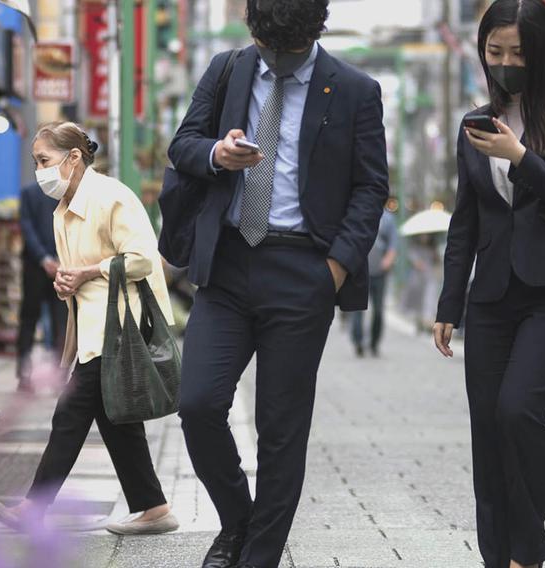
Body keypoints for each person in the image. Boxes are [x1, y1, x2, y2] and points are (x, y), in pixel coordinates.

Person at [168, 0, 388, 565]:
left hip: (303, 271)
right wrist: (217, 152)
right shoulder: (227, 68)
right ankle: (239, 521)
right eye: (268, 49)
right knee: (196, 403)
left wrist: (333, 269)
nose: (275, 61)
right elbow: (183, 144)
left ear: (315, 29)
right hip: (229, 263)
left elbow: (371, 189)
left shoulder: (357, 90)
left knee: (281, 429)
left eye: (286, 54)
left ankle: (258, 557)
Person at [432, 2, 545, 567]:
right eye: (495, 52)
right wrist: (448, 303)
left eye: (518, 53)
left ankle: (528, 546)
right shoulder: (473, 123)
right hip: (491, 298)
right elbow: (466, 220)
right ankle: (497, 555)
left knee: (518, 412)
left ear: (543, 53)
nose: (505, 63)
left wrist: (520, 156)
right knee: (487, 429)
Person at [0, 122, 179, 536]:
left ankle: (33, 508)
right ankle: (153, 506)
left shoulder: (112, 197)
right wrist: (64, 283)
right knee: (116, 419)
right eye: (35, 161)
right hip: (93, 332)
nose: (39, 170)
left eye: (44, 160)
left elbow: (144, 260)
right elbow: (76, 279)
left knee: (70, 414)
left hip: (119, 330)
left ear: (74, 158)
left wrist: (87, 272)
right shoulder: (63, 211)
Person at [16, 181, 67, 393]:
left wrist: (53, 259)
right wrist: (46, 258)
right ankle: (25, 374)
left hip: (57, 265)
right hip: (39, 266)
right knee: (31, 319)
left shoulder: (66, 193)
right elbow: (26, 227)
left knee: (60, 323)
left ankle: (59, 376)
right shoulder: (30, 193)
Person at [350, 207, 397, 357]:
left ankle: (374, 343)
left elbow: (392, 245)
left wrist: (387, 261)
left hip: (379, 272)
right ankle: (358, 341)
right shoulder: (358, 213)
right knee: (357, 309)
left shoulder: (388, 219)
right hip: (360, 270)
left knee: (378, 310)